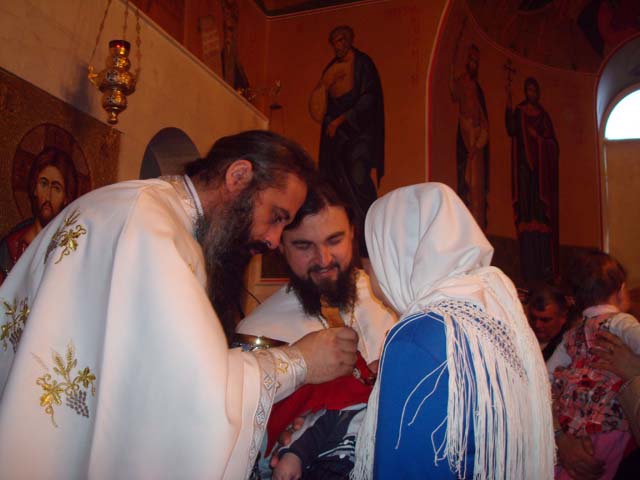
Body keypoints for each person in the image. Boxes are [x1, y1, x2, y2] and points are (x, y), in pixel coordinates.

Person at [0, 130, 360, 479]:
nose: (273, 240)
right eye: (276, 217)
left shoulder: (139, 208)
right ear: (238, 177)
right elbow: (191, 394)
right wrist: (299, 362)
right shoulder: (154, 231)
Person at [352, 182, 554, 480]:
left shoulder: (416, 336)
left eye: (369, 268)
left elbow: (406, 468)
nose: (371, 281)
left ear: (392, 259)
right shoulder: (494, 313)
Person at [235, 181, 395, 479]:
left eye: (335, 240)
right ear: (281, 245)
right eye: (304, 246)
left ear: (352, 233)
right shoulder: (259, 332)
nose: (323, 259)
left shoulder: (393, 301)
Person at [548, 250, 640, 480]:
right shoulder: (621, 322)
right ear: (620, 290)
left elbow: (546, 374)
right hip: (612, 417)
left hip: (575, 420)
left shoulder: (572, 333)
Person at [309, 25, 384, 258]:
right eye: (334, 42)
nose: (338, 46)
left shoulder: (363, 64)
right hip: (337, 137)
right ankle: (343, 236)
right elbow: (321, 104)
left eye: (341, 40)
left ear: (350, 40)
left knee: (359, 178)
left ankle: (369, 235)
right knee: (335, 186)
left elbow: (369, 99)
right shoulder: (331, 68)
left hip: (359, 134)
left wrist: (342, 119)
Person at [505, 77, 560, 284]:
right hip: (524, 171)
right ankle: (528, 272)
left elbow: (553, 146)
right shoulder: (519, 112)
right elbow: (511, 129)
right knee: (526, 217)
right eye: (528, 89)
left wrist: (538, 139)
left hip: (540, 174)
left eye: (534, 89)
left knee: (540, 217)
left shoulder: (543, 117)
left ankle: (544, 270)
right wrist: (508, 105)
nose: (531, 93)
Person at [0, 147, 78, 284]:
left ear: (66, 197)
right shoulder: (11, 247)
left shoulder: (70, 251)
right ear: (35, 188)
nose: (48, 196)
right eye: (43, 184)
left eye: (56, 188)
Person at [450, 43, 489, 229]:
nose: (473, 64)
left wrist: (479, 138)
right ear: (467, 62)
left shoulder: (478, 89)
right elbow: (453, 92)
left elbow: (484, 119)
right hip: (465, 134)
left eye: (476, 61)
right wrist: (451, 67)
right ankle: (465, 224)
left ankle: (478, 224)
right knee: (465, 178)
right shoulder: (462, 81)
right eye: (471, 60)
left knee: (477, 185)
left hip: (477, 138)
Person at [527, 284, 572, 361]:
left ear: (563, 318)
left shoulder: (570, 348)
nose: (537, 325)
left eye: (545, 320)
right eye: (533, 318)